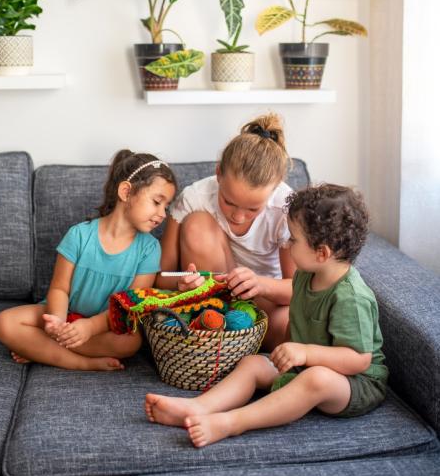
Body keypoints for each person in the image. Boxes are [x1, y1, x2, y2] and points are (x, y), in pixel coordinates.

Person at [145, 184, 388, 447]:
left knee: (316, 378)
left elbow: (359, 360)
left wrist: (305, 352)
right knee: (253, 364)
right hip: (305, 367)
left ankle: (232, 422)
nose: (288, 244)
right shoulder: (305, 276)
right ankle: (198, 407)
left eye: (293, 240)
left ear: (322, 253)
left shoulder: (351, 297)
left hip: (353, 384)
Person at [0, 151, 177, 372]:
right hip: (63, 313)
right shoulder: (79, 235)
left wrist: (89, 327)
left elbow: (129, 308)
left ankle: (38, 346)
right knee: (4, 322)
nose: (162, 214)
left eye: (166, 207)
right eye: (157, 202)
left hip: (105, 325)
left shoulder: (150, 249)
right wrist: (57, 322)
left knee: (130, 343)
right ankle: (82, 362)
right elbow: (59, 288)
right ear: (126, 192)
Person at [157, 113, 294, 349]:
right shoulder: (195, 198)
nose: (237, 217)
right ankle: (218, 331)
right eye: (229, 202)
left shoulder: (286, 208)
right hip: (213, 302)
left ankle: (225, 342)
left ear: (275, 188)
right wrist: (183, 283)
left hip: (265, 301)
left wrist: (261, 284)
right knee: (197, 223)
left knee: (291, 326)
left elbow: (301, 289)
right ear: (219, 173)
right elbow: (160, 278)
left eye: (253, 209)